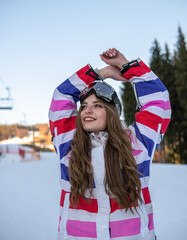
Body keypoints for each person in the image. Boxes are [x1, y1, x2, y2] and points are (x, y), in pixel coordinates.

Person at [49, 48, 171, 240]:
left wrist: (126, 66)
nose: (87, 111)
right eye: (84, 106)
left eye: (97, 105)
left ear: (112, 112)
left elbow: (159, 100)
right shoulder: (69, 145)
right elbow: (60, 98)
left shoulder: (137, 142)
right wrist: (101, 74)